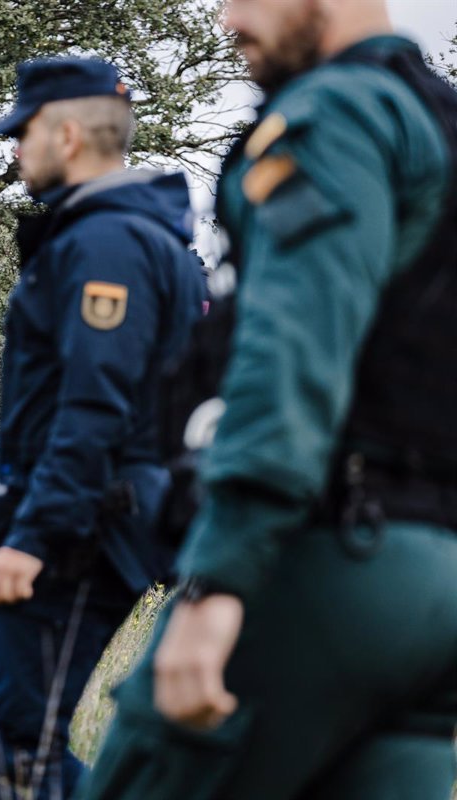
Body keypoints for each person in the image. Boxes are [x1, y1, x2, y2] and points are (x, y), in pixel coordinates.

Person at [76, 1, 457, 798]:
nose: (225, 20)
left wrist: (218, 581)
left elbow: (293, 356)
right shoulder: (439, 121)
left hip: (330, 555)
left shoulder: (335, 114)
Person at [0, 58, 207, 799]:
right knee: (11, 742)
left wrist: (33, 538)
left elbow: (95, 405)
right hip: (84, 520)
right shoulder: (125, 234)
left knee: (16, 752)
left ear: (67, 134)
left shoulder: (106, 243)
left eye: (25, 132)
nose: (15, 149)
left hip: (80, 532)